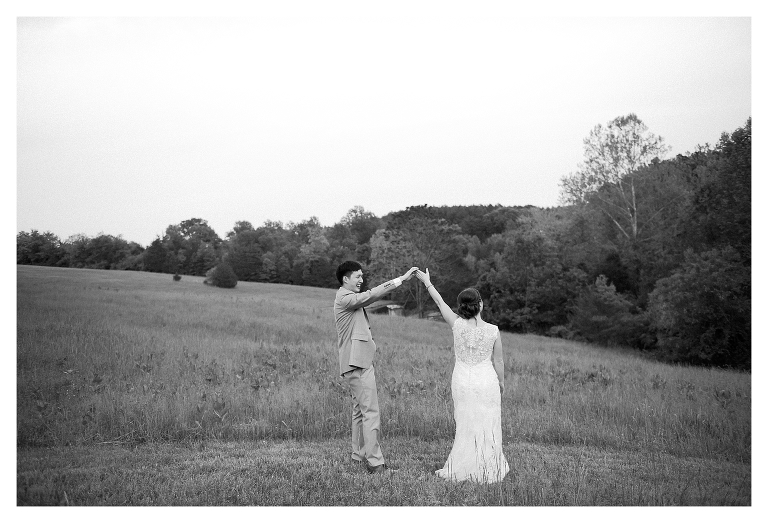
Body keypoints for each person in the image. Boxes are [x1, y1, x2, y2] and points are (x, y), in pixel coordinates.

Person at [416, 268, 509, 483]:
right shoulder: (493, 330)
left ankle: (464, 465)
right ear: (481, 305)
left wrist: (428, 283)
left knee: (465, 423)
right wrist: (501, 382)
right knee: (487, 423)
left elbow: (440, 303)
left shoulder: (456, 325)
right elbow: (499, 361)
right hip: (487, 381)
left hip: (462, 381)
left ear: (462, 307)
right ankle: (487, 467)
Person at [334, 261, 418, 474]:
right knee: (370, 412)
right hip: (357, 363)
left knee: (359, 412)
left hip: (354, 362)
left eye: (362, 276)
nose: (361, 280)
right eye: (357, 276)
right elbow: (371, 295)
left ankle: (358, 456)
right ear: (346, 279)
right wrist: (401, 279)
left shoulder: (347, 298)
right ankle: (375, 463)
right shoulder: (345, 298)